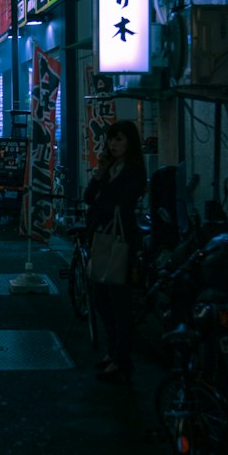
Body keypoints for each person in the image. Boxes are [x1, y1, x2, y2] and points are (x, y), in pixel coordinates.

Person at [84, 119, 147, 382]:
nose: (114, 144)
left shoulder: (134, 170)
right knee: (101, 298)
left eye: (119, 139)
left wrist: (101, 201)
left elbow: (122, 205)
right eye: (111, 139)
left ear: (130, 142)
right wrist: (100, 173)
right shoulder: (110, 168)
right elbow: (89, 197)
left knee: (119, 301)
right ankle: (113, 351)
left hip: (121, 239)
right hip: (102, 237)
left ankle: (122, 359)